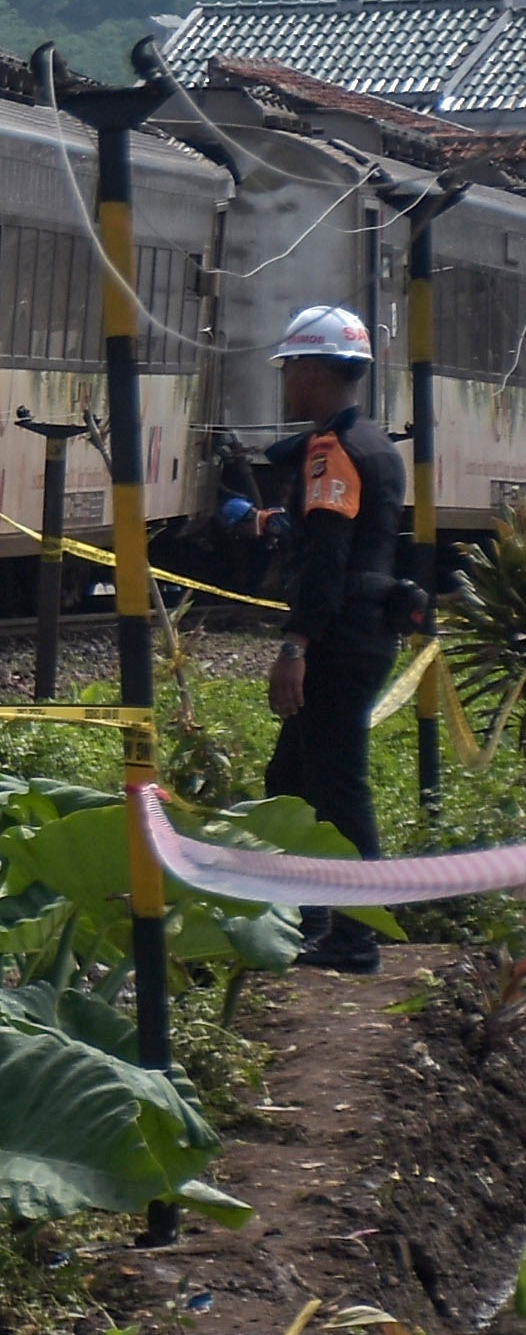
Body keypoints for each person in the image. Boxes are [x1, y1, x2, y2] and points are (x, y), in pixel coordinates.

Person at [265, 304, 407, 975]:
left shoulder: (333, 451)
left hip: (339, 640)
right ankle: (313, 918)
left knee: (337, 790)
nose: (286, 379)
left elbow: (328, 559)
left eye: (291, 365)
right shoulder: (377, 445)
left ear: (316, 370)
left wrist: (296, 647)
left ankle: (352, 937)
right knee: (291, 779)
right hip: (366, 632)